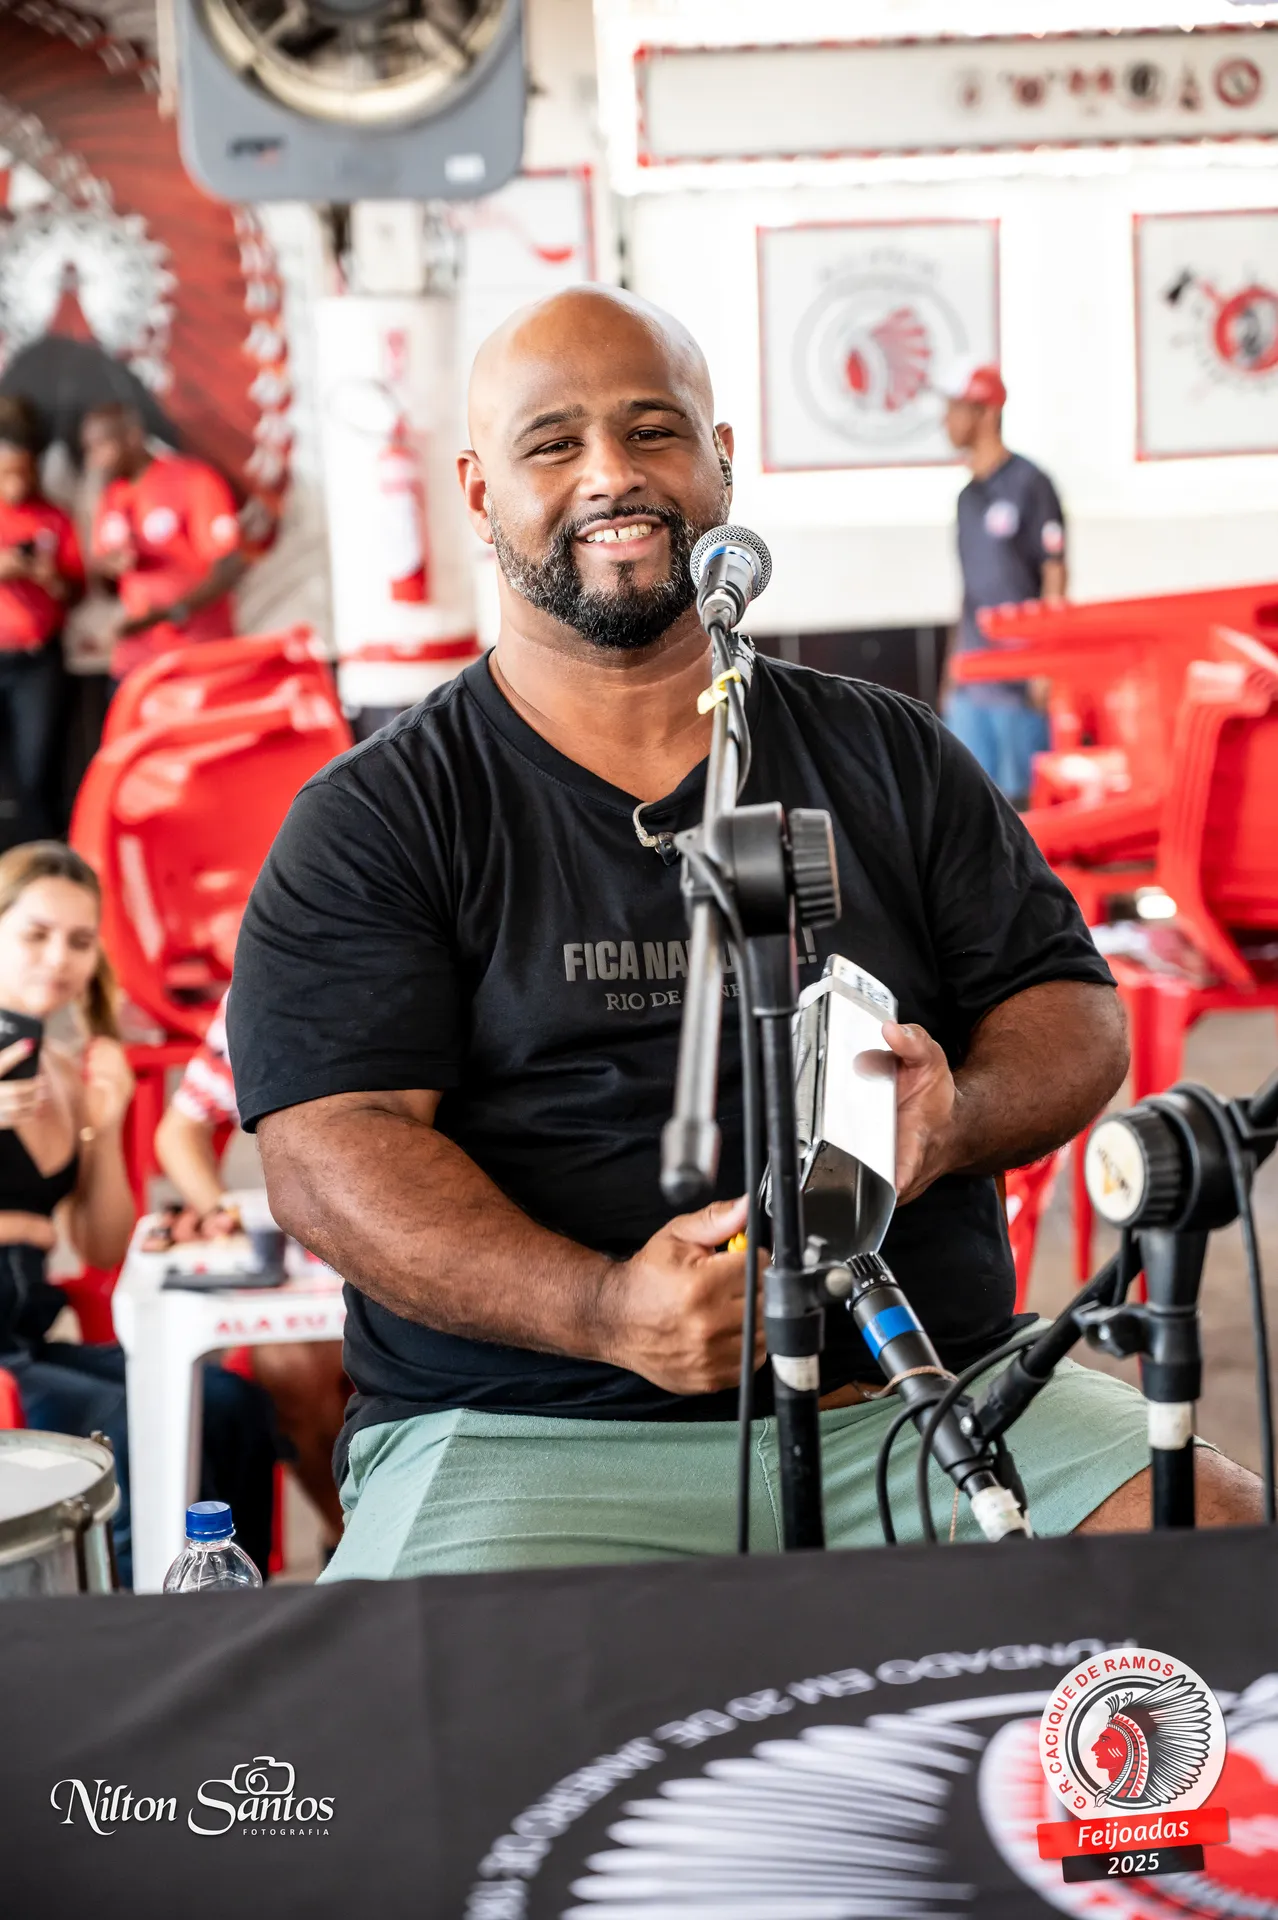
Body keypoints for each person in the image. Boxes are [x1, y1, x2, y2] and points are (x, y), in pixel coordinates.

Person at [227, 288, 1261, 1583]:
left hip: (925, 1399)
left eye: (651, 430)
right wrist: (605, 1311)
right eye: (554, 443)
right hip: (529, 1433)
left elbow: (1068, 1007)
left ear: (720, 459)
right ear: (479, 492)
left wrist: (959, 1115)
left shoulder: (892, 754)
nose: (612, 473)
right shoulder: (379, 815)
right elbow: (328, 1152)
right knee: (437, 1692)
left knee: (1219, 1555)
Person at [0, 843, 278, 1585]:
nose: (58, 958)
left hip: (25, 1338)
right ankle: (145, 1614)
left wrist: (104, 1122)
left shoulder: (68, 1073)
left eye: (79, 940)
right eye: (35, 934)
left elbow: (99, 1244)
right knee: (134, 1425)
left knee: (229, 1405)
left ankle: (240, 1602)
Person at [154, 990, 347, 1556]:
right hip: (325, 1250)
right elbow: (180, 1129)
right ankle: (346, 1534)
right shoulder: (269, 985)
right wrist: (220, 1213)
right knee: (287, 1365)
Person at [938, 360, 1066, 808]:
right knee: (966, 802)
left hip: (1019, 683)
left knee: (1025, 808)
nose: (946, 420)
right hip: (973, 682)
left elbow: (1054, 576)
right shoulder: (966, 498)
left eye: (956, 408)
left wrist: (1046, 666)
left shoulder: (1031, 484)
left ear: (988, 412)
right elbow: (970, 591)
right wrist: (952, 672)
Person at [81, 404, 247, 682]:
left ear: (132, 437)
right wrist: (108, 567)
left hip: (197, 654)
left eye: (102, 446)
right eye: (90, 449)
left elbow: (230, 566)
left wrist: (172, 613)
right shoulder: (112, 496)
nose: (96, 459)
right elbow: (106, 587)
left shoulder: (192, 479)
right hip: (137, 661)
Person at [0, 400, 83, 839]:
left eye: (23, 472)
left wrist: (51, 578)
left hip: (38, 662)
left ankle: (44, 860)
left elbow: (78, 591)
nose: (16, 483)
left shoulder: (53, 516)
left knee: (39, 772)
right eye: (7, 473)